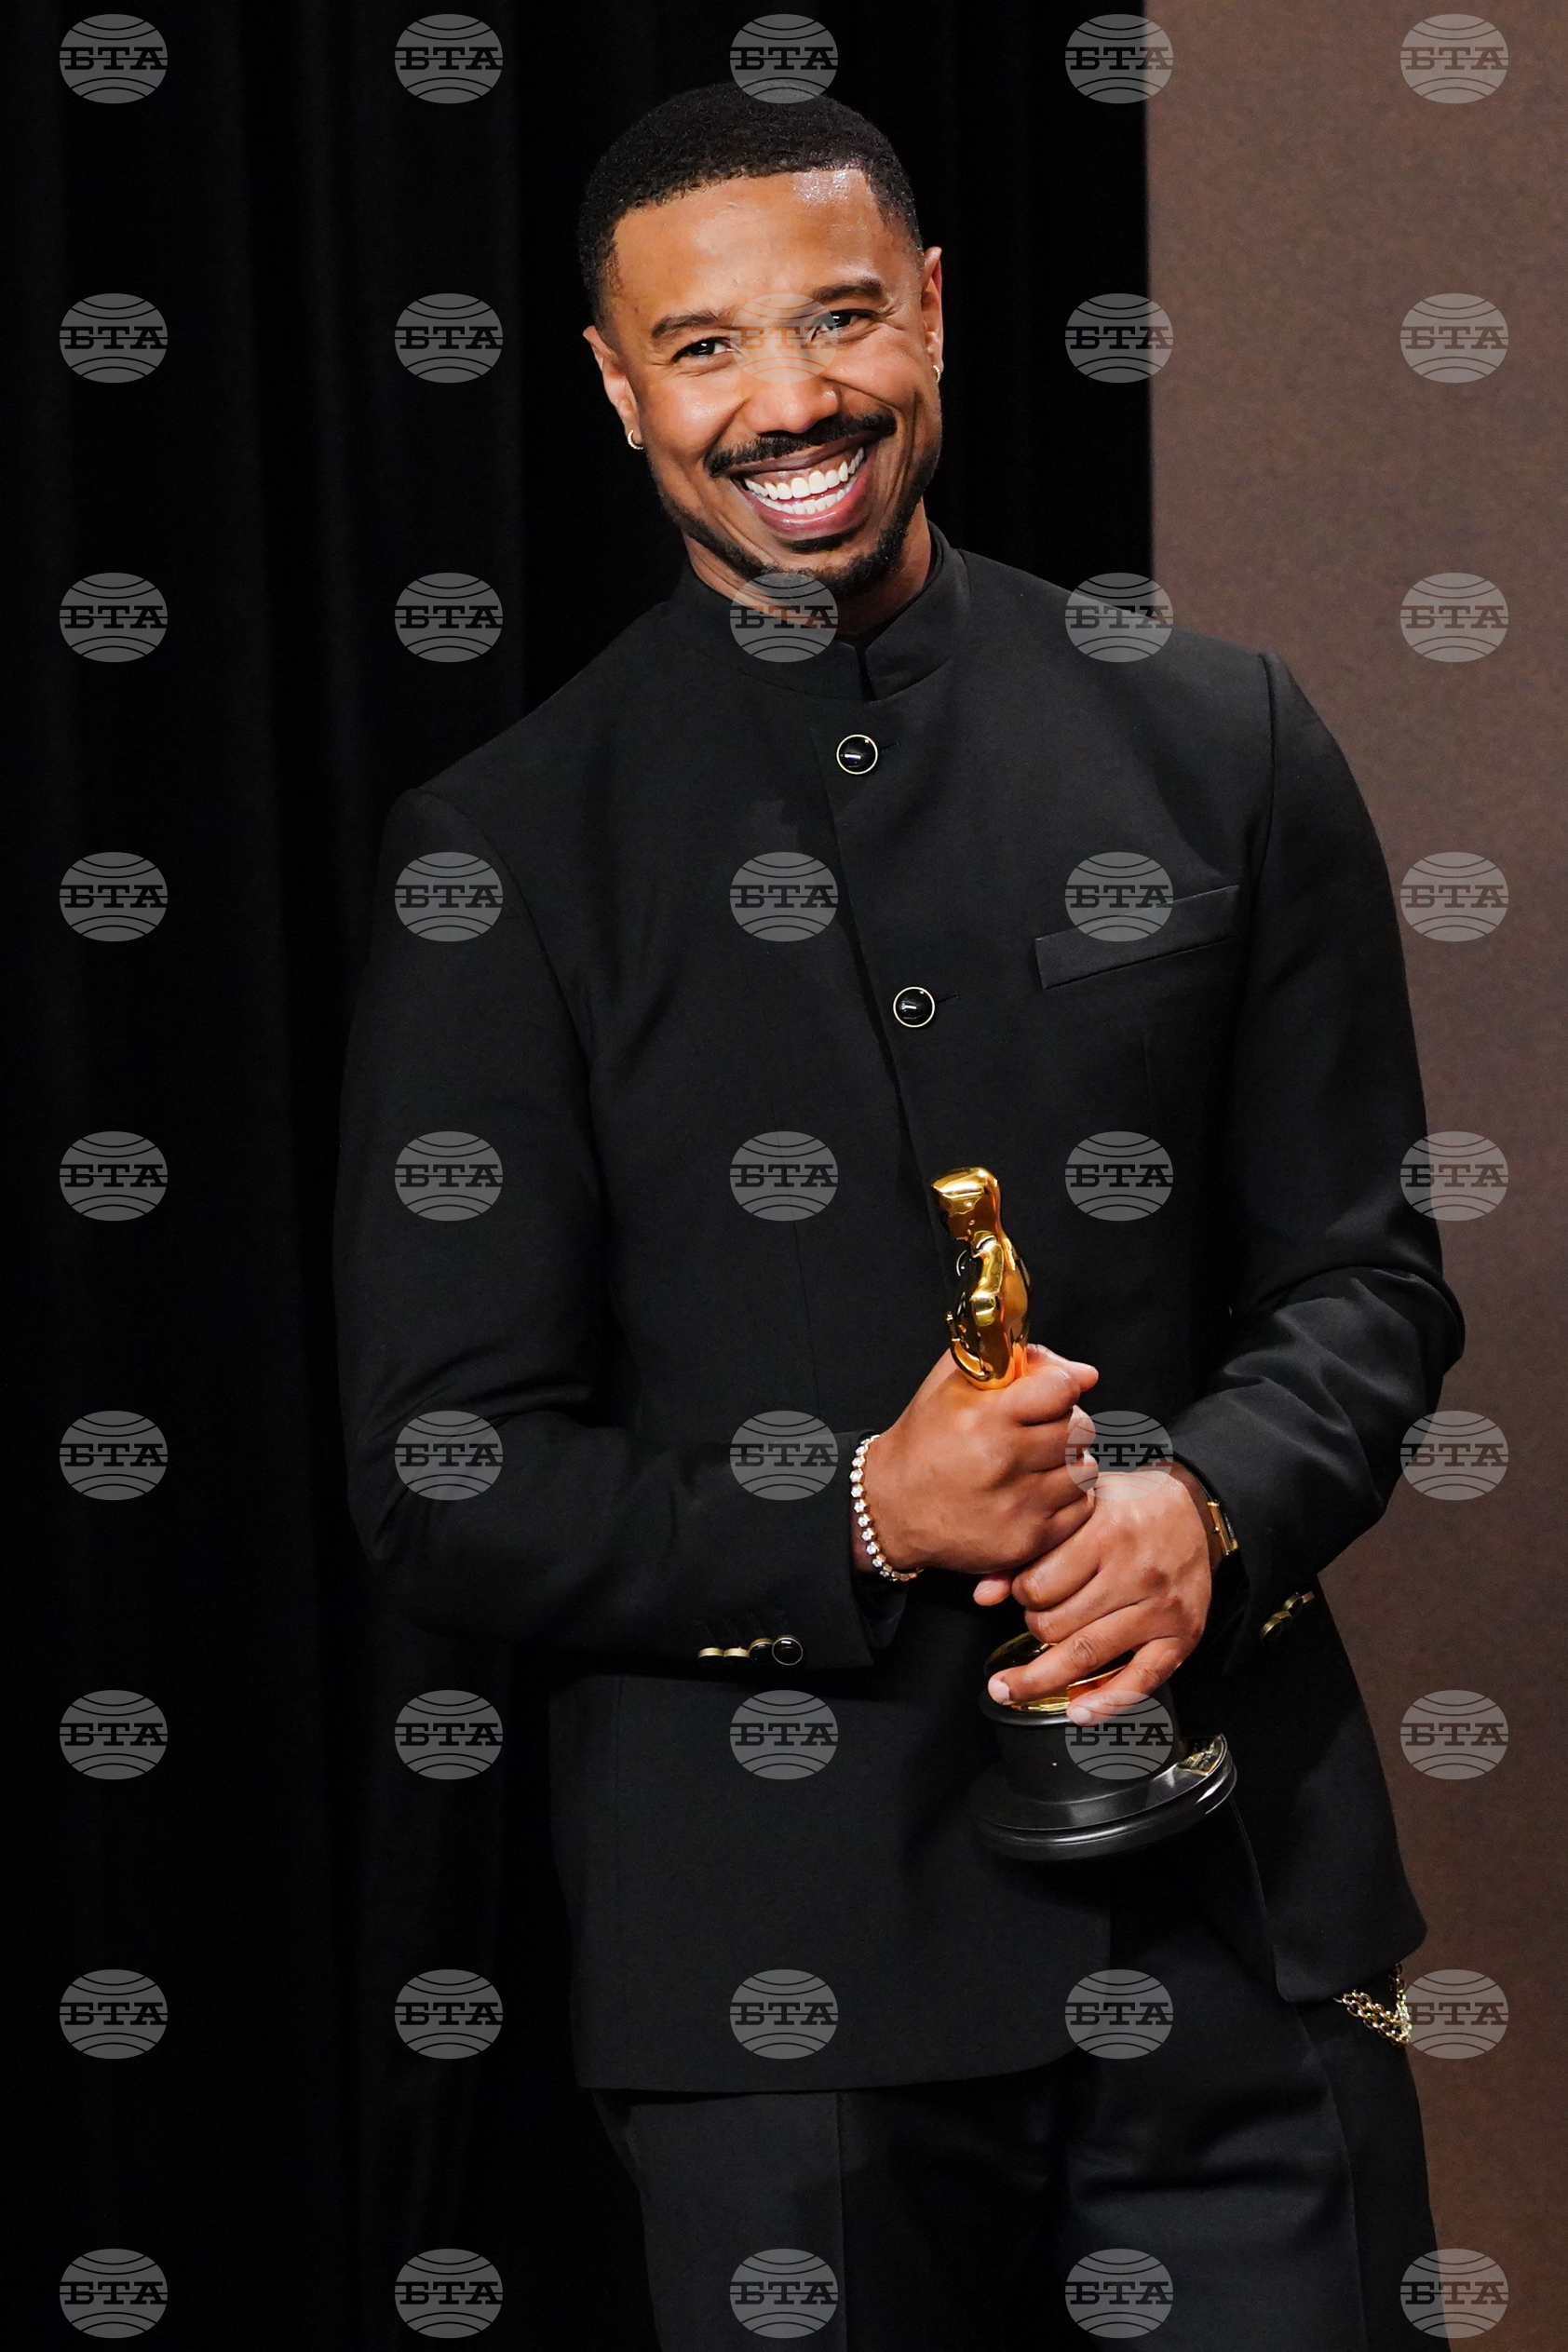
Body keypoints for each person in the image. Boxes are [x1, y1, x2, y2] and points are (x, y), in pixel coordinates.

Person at [335, 83, 1463, 2351]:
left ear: (933, 316)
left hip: (1236, 1934)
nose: (790, 404)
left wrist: (1206, 1509)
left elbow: (1361, 1273)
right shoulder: (504, 858)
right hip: (779, 2010)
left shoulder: (1220, 736)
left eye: (840, 320)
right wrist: (856, 1513)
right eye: (708, 351)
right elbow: (445, 1477)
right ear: (614, 384)